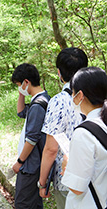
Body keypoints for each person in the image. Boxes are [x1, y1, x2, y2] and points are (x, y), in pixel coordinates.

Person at [38, 47, 88, 209]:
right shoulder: (98, 98)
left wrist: (42, 182)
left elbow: (51, 149)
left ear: (59, 73)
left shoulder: (58, 102)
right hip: (97, 177)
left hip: (68, 180)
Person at [61, 67, 107, 209]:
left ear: (80, 95)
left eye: (73, 93)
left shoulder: (84, 133)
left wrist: (65, 166)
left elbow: (77, 188)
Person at [11, 63, 51, 209]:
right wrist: (22, 92)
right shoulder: (42, 99)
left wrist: (19, 162)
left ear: (26, 82)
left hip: (30, 166)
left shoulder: (37, 106)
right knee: (34, 204)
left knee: (23, 204)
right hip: (35, 164)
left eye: (19, 85)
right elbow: (21, 112)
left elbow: (32, 139)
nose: (19, 88)